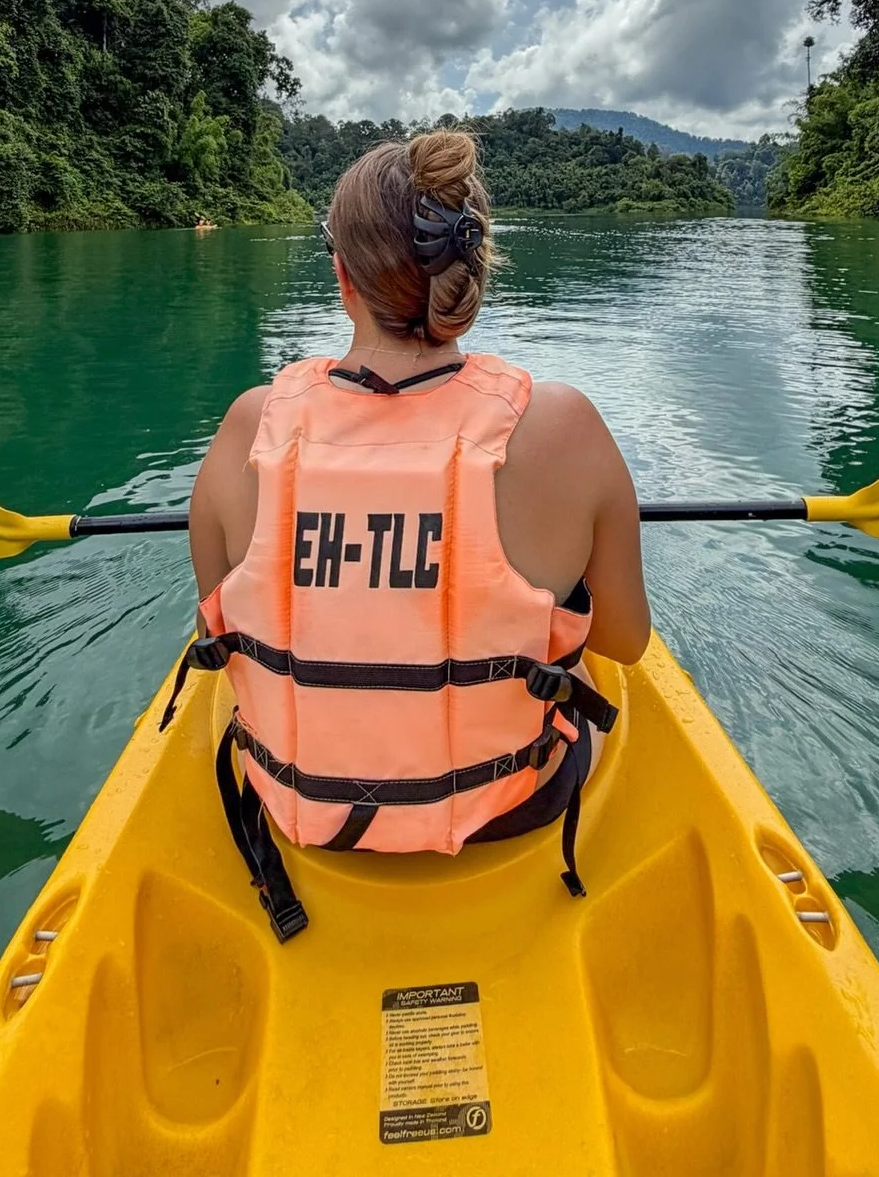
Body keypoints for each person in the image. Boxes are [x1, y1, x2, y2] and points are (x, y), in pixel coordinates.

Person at [177, 129, 650, 939]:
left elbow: (216, 617)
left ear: (341, 276)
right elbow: (624, 641)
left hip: (295, 809)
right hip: (513, 808)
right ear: (472, 270)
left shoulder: (250, 427)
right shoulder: (564, 426)